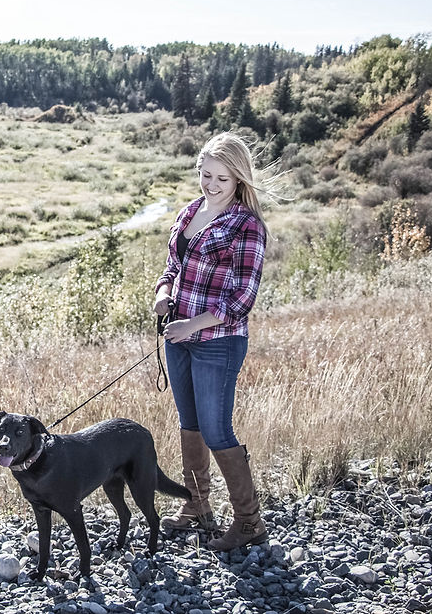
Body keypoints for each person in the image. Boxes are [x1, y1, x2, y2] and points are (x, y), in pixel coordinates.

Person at [153, 132, 275, 552]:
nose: (211, 184)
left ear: (239, 178)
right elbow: (173, 263)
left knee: (216, 428)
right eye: (205, 175)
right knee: (190, 424)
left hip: (217, 343)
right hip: (178, 336)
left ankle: (248, 523)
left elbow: (242, 299)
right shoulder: (191, 211)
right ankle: (198, 508)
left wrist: (193, 325)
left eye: (221, 178)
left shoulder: (248, 226)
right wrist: (163, 292)